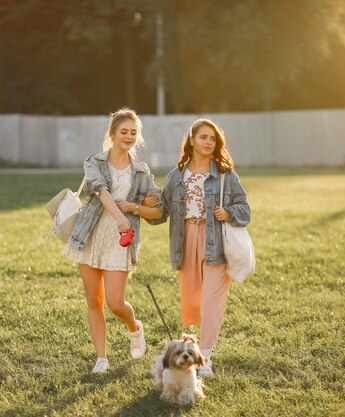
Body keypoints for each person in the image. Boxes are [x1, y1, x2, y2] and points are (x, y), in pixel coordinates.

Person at [147, 118, 251, 378]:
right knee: (193, 300)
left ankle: (206, 357)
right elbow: (162, 213)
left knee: (210, 302)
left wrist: (228, 212)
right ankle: (194, 349)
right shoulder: (176, 177)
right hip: (187, 240)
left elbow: (245, 210)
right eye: (203, 137)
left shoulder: (226, 175)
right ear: (191, 140)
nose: (208, 142)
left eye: (212, 139)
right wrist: (144, 206)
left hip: (215, 241)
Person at [63, 107, 163, 374]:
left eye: (133, 132)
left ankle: (134, 327)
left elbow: (158, 211)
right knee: (94, 300)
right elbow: (101, 191)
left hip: (121, 240)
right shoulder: (94, 161)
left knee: (115, 302)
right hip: (91, 233)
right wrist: (120, 217)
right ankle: (102, 358)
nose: (128, 136)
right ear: (112, 134)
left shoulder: (141, 171)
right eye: (124, 132)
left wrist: (135, 208)